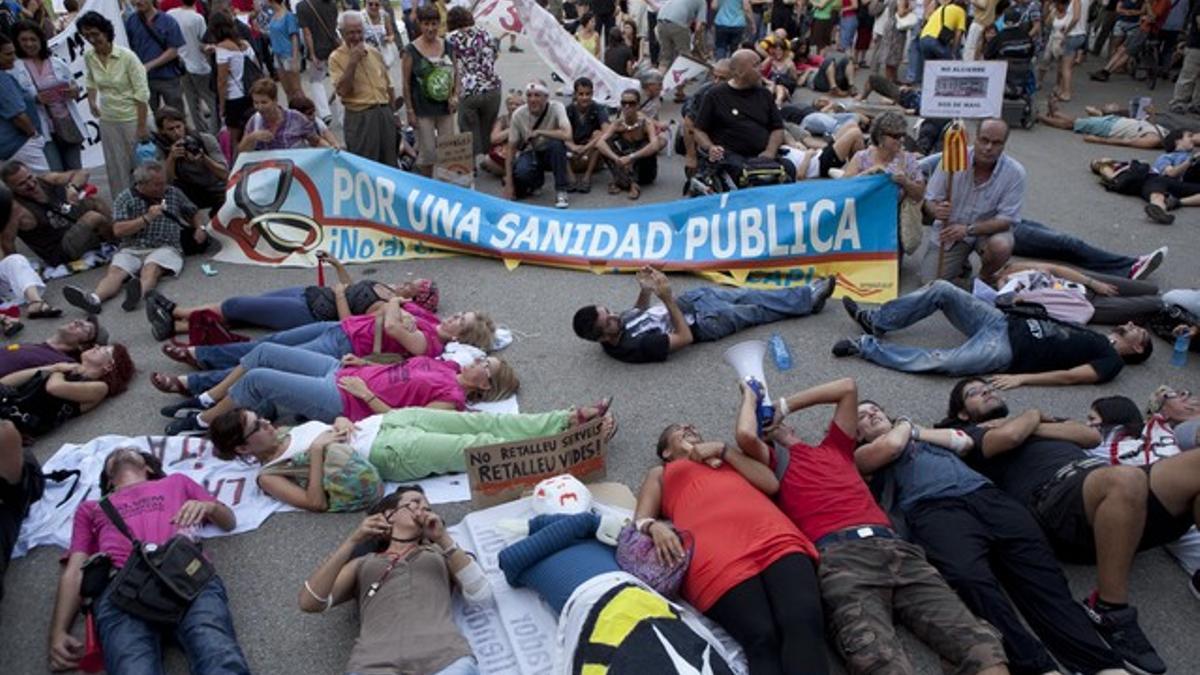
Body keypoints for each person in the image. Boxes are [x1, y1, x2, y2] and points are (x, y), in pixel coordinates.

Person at [733, 377, 1010, 675]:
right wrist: (750, 396)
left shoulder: (837, 448)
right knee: (877, 660)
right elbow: (746, 436)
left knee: (980, 644)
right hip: (843, 560)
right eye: (767, 429)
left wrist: (783, 406)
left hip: (899, 551)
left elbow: (848, 387)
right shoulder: (776, 463)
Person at [936, 378, 1200, 674]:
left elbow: (1088, 436)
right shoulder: (970, 435)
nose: (986, 390)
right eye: (974, 392)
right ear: (962, 414)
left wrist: (1031, 421)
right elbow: (1008, 438)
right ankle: (1109, 609)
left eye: (988, 387)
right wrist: (1033, 415)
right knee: (1125, 478)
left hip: (1114, 497)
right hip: (1055, 503)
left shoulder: (1030, 422)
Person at [854, 400, 1127, 675]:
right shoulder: (862, 454)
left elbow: (964, 442)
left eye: (874, 408)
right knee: (969, 578)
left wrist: (913, 430)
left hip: (987, 496)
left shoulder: (922, 433)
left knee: (1043, 576)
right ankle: (1035, 666)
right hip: (933, 510)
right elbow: (890, 448)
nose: (872, 413)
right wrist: (906, 424)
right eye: (862, 417)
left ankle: (1102, 665)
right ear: (858, 436)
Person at [633, 402, 828, 675]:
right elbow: (640, 519)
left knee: (803, 621)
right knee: (761, 638)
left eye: (691, 426)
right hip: (717, 559)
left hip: (773, 537)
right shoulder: (661, 473)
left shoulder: (725, 458)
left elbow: (770, 484)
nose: (688, 428)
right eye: (679, 429)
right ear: (666, 451)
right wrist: (654, 527)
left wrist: (724, 451)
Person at [47, 448, 249, 674]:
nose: (122, 450)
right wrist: (58, 632)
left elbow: (229, 521)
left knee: (219, 655)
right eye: (113, 456)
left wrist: (208, 506)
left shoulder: (176, 482)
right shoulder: (91, 508)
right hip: (122, 588)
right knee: (132, 668)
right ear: (109, 480)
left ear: (150, 468)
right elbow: (75, 571)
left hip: (186, 574)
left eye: (132, 451)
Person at [210, 402, 614, 503]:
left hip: (384, 424)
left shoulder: (281, 432)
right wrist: (317, 451)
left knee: (481, 422)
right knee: (475, 448)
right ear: (243, 448)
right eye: (255, 427)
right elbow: (314, 502)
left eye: (259, 418)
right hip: (387, 452)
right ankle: (569, 449)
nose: (266, 423)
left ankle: (565, 419)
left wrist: (339, 422)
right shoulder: (269, 475)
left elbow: (330, 423)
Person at [298, 487, 489, 674]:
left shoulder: (441, 553)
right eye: (415, 502)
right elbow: (310, 602)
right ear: (389, 514)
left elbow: (481, 593)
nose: (423, 509)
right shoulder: (364, 563)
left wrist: (443, 539)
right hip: (372, 666)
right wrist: (354, 540)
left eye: (428, 508)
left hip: (445, 660)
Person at [835, 279, 1154, 383]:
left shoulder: (1112, 360)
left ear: (1138, 348)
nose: (1133, 325)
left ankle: (865, 347)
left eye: (1140, 333)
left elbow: (1070, 377)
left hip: (1007, 352)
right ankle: (877, 322)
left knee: (943, 363)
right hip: (1002, 322)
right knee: (943, 289)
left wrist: (1021, 379)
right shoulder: (1098, 334)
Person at [153, 300, 494, 397]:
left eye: (459, 321)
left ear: (459, 338)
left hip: (343, 344)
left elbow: (389, 321)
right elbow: (379, 312)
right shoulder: (429, 319)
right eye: (459, 313)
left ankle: (194, 385)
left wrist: (395, 307)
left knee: (270, 361)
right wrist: (394, 309)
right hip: (340, 327)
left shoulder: (429, 344)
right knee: (267, 344)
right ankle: (201, 356)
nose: (452, 317)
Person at [165, 347, 518, 434]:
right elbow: (402, 369)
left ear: (486, 384)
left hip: (346, 400)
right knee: (264, 352)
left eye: (487, 365)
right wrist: (364, 363)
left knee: (259, 378)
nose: (479, 360)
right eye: (485, 357)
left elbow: (406, 421)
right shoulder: (451, 366)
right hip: (345, 371)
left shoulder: (453, 401)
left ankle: (202, 420)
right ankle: (208, 397)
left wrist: (365, 394)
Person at [573, 265, 835, 364]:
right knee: (756, 311)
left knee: (748, 294)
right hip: (702, 323)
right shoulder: (637, 346)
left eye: (608, 311)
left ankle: (806, 297)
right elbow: (684, 338)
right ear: (602, 338)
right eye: (608, 320)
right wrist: (665, 297)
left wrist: (645, 291)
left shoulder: (616, 326)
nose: (614, 316)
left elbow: (637, 313)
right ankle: (808, 299)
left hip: (690, 301)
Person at [145, 255, 437, 338]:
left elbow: (350, 325)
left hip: (310, 313)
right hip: (310, 293)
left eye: (415, 285)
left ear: (415, 298)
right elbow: (352, 288)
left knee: (238, 306)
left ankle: (175, 310)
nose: (409, 281)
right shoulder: (386, 287)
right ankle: (176, 327)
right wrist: (336, 265)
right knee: (245, 311)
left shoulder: (388, 308)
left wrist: (337, 298)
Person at [62, 162, 205, 314]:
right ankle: (94, 299)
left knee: (151, 269)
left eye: (164, 182)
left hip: (166, 246)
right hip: (132, 247)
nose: (163, 187)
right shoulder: (125, 198)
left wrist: (200, 228)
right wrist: (147, 218)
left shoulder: (173, 193)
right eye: (157, 185)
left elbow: (192, 211)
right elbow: (118, 230)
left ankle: (137, 296)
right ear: (141, 184)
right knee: (116, 272)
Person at [922, 119, 1025, 284]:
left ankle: (984, 277)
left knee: (1001, 246)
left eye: (996, 143)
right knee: (929, 282)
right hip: (951, 232)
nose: (989, 147)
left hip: (984, 232)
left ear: (1004, 145)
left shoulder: (1015, 173)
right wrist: (936, 210)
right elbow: (929, 199)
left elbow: (1007, 220)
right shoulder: (952, 160)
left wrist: (968, 230)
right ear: (974, 139)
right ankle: (961, 263)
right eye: (984, 140)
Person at [79, 12, 150, 200]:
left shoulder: (128, 57)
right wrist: (92, 101)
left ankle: (151, 204)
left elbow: (142, 93)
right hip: (109, 120)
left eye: (95, 34)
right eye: (87, 36)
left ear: (106, 31)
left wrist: (142, 126)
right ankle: (123, 205)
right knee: (116, 168)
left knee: (142, 166)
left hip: (133, 119)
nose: (92, 39)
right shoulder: (89, 56)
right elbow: (91, 79)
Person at [0, 342, 133, 438]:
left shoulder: (100, 388)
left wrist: (58, 371)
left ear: (109, 366)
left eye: (104, 350)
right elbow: (4, 383)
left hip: (16, 423)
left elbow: (54, 388)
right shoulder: (65, 369)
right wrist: (51, 368)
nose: (96, 346)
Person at [694, 49, 787, 180]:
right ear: (739, 72)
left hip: (763, 154)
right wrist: (710, 147)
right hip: (731, 154)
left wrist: (770, 151)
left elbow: (777, 128)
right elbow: (699, 130)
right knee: (746, 174)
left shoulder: (764, 94)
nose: (761, 68)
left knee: (788, 169)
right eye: (755, 65)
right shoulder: (715, 95)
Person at [1, 161, 114, 268]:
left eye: (30, 177)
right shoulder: (15, 209)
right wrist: (16, 270)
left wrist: (72, 187)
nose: (31, 185)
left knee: (93, 200)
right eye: (22, 184)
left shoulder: (45, 181)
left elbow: (82, 173)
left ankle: (117, 236)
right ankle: (116, 243)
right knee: (93, 217)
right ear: (11, 188)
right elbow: (7, 243)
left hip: (71, 227)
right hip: (61, 251)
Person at [842, 111, 926, 254]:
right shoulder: (862, 157)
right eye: (895, 136)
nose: (901, 140)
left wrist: (905, 182)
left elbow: (919, 194)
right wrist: (868, 173)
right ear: (880, 137)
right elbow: (843, 189)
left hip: (893, 226)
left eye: (902, 135)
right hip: (862, 220)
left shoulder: (909, 160)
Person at [12, 22, 85, 172]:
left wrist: (72, 92)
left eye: (33, 39)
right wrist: (35, 99)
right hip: (41, 129)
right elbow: (13, 100)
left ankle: (79, 196)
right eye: (24, 40)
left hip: (67, 124)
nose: (29, 44)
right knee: (55, 173)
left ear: (41, 40)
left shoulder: (56, 62)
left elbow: (75, 87)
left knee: (75, 171)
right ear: (17, 42)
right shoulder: (14, 68)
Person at [338, 10, 401, 168]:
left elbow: (388, 86)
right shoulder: (336, 58)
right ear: (342, 33)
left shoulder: (374, 52)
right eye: (351, 33)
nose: (356, 37)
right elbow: (343, 91)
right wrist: (352, 62)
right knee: (366, 166)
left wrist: (394, 114)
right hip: (360, 116)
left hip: (383, 112)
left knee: (389, 162)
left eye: (359, 32)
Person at [446, 6, 501, 169]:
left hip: (468, 90)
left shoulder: (451, 38)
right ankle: (487, 159)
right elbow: (495, 56)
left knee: (467, 130)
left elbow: (451, 66)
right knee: (487, 127)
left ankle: (471, 165)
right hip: (492, 88)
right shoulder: (486, 33)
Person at [505, 80, 573, 209]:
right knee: (521, 174)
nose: (532, 100)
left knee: (557, 145)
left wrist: (540, 132)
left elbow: (567, 134)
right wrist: (509, 183)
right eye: (529, 95)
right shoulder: (518, 114)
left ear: (546, 97)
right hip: (531, 152)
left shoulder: (557, 107)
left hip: (550, 151)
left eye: (537, 95)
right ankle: (536, 182)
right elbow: (511, 149)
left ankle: (561, 190)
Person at [153, 106, 228, 212]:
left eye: (178, 127)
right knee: (166, 198)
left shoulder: (205, 139)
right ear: (162, 131)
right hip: (187, 190)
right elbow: (166, 182)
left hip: (213, 187)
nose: (177, 132)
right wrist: (171, 158)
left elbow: (224, 174)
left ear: (184, 124)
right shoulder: (162, 148)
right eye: (171, 129)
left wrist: (204, 159)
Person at [124, 0, 186, 113]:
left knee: (176, 113)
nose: (138, 2)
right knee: (148, 115)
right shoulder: (131, 21)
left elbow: (173, 50)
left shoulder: (168, 21)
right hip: (143, 79)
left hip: (168, 77)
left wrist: (150, 65)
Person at [210, 11, 257, 155]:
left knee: (234, 139)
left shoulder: (222, 48)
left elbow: (222, 81)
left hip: (233, 97)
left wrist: (222, 106)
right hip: (249, 92)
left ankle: (237, 164)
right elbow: (256, 65)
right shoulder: (245, 44)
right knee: (250, 131)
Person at [167, 0, 217, 135]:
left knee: (192, 102)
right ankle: (214, 131)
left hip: (182, 64)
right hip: (199, 65)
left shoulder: (171, 14)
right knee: (212, 101)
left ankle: (201, 132)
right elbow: (204, 42)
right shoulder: (197, 18)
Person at [597, 88, 658, 200]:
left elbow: (655, 145)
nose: (627, 107)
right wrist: (616, 159)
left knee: (646, 145)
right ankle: (627, 182)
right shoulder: (618, 124)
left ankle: (626, 182)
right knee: (606, 144)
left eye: (631, 103)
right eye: (624, 103)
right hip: (624, 165)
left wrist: (631, 157)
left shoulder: (646, 123)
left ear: (638, 106)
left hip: (644, 170)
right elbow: (600, 143)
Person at [0, 316, 106, 378]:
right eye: (80, 321)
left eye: (85, 329)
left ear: (83, 346)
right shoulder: (34, 346)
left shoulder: (63, 363)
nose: (77, 322)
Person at [0, 33, 46, 173]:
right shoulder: (2, 80)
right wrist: (34, 135)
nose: (13, 58)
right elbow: (17, 114)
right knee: (45, 187)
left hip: (9, 148)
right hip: (21, 145)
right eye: (8, 54)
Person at [239, 78, 321, 152]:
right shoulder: (254, 121)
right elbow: (241, 152)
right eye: (256, 102)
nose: (259, 107)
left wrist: (331, 151)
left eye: (264, 102)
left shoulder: (296, 118)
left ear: (275, 100)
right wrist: (252, 137)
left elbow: (316, 142)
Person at [296, 0, 340, 125]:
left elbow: (307, 33)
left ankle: (325, 113)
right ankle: (344, 113)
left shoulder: (302, 6)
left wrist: (312, 54)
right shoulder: (332, 4)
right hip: (333, 47)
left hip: (318, 49)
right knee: (339, 80)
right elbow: (334, 26)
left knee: (316, 81)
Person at [564, 77, 609, 194]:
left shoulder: (599, 108)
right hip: (572, 154)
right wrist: (573, 147)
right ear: (575, 95)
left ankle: (587, 177)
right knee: (556, 140)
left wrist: (587, 147)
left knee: (598, 134)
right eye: (581, 94)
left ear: (592, 94)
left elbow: (606, 131)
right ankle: (571, 177)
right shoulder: (568, 110)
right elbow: (561, 133)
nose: (585, 97)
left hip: (591, 155)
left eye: (588, 94)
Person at [656, 0, 706, 82]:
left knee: (665, 57)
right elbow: (699, 27)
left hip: (660, 20)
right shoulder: (702, 2)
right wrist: (697, 40)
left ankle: (656, 81)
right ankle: (682, 83)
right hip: (678, 22)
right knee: (685, 55)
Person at [919, 0, 967, 84]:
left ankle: (928, 89)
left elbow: (928, 17)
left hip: (923, 38)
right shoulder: (961, 12)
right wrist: (954, 53)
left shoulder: (942, 8)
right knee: (949, 65)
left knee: (930, 70)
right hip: (935, 41)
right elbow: (958, 35)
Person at [266, 0, 302, 98]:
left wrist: (295, 58)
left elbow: (294, 37)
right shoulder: (273, 16)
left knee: (296, 89)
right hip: (277, 55)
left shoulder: (288, 16)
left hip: (288, 54)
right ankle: (291, 110)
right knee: (287, 89)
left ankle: (304, 110)